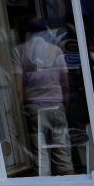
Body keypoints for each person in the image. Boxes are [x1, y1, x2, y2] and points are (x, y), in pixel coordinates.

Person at [12, 18, 75, 175]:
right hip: (56, 105)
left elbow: (19, 87)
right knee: (63, 154)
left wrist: (17, 111)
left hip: (34, 108)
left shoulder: (19, 51)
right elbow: (65, 84)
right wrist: (64, 106)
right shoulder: (56, 50)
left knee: (40, 156)